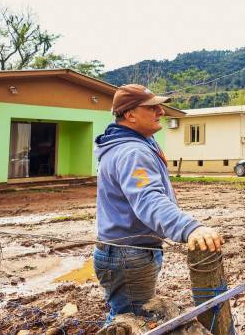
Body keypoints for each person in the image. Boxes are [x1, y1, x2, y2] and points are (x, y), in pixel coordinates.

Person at [94, 84, 223, 322]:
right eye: (152, 107)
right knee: (131, 322)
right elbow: (149, 199)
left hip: (126, 250)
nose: (161, 111)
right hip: (128, 254)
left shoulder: (135, 143)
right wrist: (190, 227)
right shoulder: (133, 152)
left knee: (124, 318)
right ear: (130, 115)